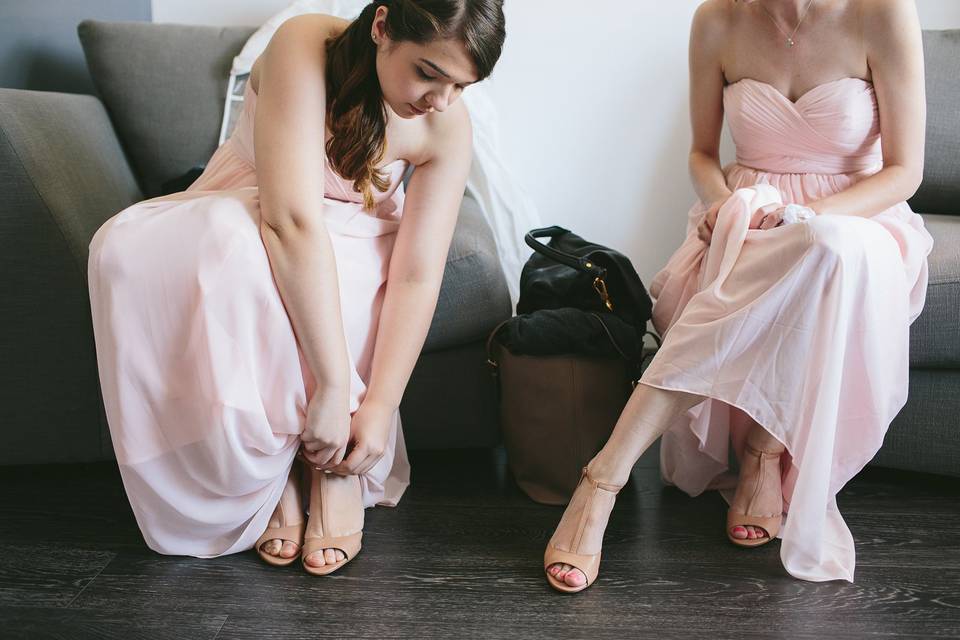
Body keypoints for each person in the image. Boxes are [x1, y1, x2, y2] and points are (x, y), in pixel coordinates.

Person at [88, 0, 506, 575]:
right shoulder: (308, 43)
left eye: (462, 85)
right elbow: (290, 221)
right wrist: (333, 383)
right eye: (430, 73)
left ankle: (331, 467)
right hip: (256, 213)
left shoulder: (445, 122)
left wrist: (379, 407)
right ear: (381, 26)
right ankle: (280, 469)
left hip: (353, 237)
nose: (440, 101)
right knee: (207, 251)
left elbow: (417, 273)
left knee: (355, 270)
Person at [544, 0, 932, 591]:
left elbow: (904, 170)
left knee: (824, 249)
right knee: (793, 261)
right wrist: (724, 202)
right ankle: (637, 474)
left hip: (859, 220)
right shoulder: (717, 19)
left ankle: (632, 472)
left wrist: (806, 217)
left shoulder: (883, 14)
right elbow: (703, 154)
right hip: (744, 217)